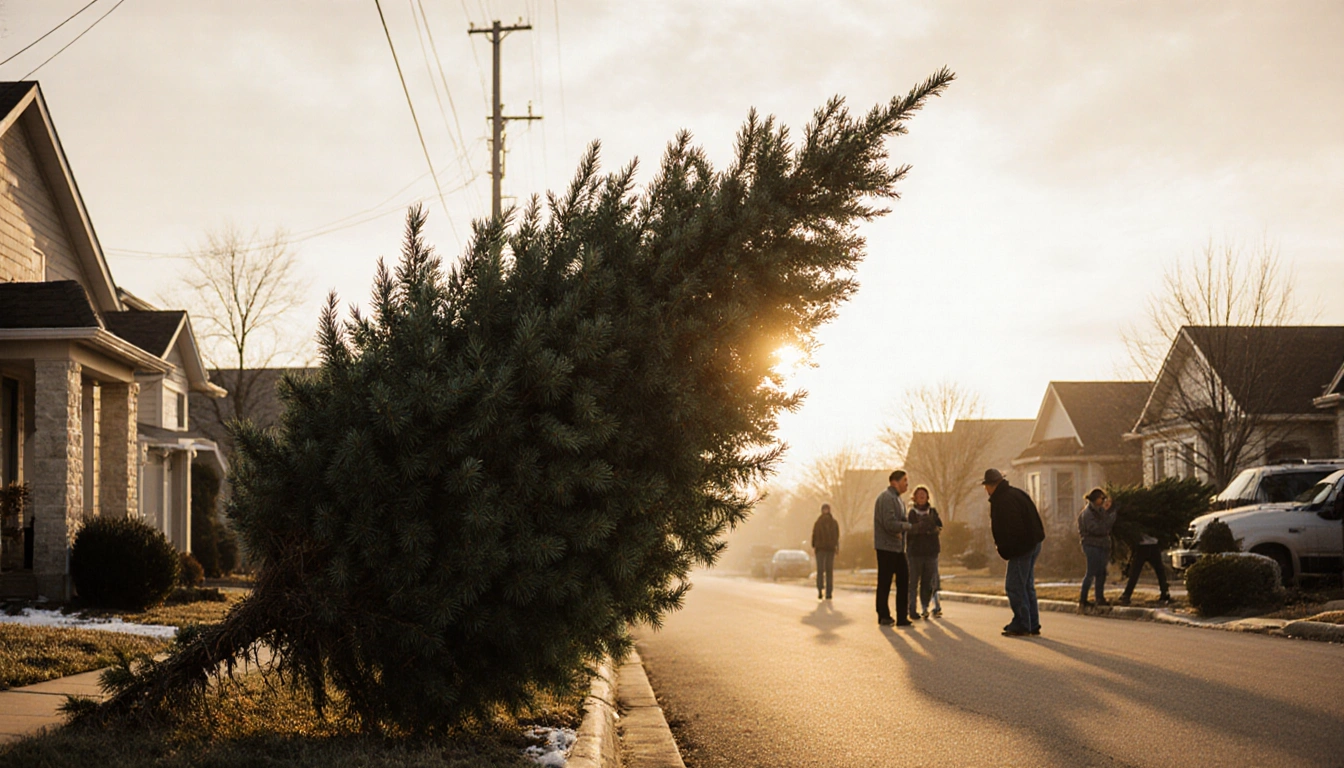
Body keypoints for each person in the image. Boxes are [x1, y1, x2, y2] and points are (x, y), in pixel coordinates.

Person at [985, 468, 1045, 637]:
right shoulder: (1016, 493)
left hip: (1022, 548)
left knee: (1014, 586)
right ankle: (1032, 623)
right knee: (1027, 585)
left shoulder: (1003, 500)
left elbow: (1013, 529)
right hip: (1033, 543)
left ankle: (1022, 623)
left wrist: (1007, 550)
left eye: (986, 486)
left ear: (991, 485)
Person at [874, 470, 914, 627]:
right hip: (886, 548)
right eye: (904, 480)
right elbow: (889, 523)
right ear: (894, 482)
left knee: (904, 580)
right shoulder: (887, 498)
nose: (906, 484)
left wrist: (903, 528)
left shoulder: (898, 500)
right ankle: (883, 615)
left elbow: (898, 522)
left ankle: (902, 617)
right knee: (885, 582)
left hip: (898, 548)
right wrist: (906, 526)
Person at [1117, 514, 1172, 606]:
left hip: (1144, 546)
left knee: (1136, 572)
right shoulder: (1151, 514)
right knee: (1158, 571)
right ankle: (1164, 592)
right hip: (1150, 545)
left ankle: (1127, 595)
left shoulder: (1141, 514)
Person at [906, 485, 943, 620]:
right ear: (914, 498)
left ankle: (925, 607)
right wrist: (920, 527)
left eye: (924, 494)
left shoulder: (932, 512)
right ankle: (911, 609)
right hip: (915, 553)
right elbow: (909, 530)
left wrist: (932, 527)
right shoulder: (911, 513)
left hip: (931, 552)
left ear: (927, 497)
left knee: (927, 582)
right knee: (913, 582)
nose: (921, 496)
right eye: (919, 494)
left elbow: (939, 526)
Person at [1077, 488, 1117, 611]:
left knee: (1102, 572)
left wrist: (1110, 512)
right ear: (1095, 499)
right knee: (1091, 572)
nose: (1103, 500)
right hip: (1091, 545)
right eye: (1101, 498)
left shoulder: (1100, 511)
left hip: (1102, 545)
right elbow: (1097, 529)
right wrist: (1111, 519)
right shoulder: (1087, 514)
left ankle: (1099, 598)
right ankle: (1083, 600)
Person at [811, 503, 840, 600]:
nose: (826, 511)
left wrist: (836, 547)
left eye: (827, 509)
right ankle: (820, 589)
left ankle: (829, 592)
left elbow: (836, 536)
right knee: (820, 570)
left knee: (829, 570)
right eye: (824, 509)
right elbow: (814, 535)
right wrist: (814, 546)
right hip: (820, 549)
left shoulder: (833, 523)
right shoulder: (818, 523)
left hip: (830, 549)